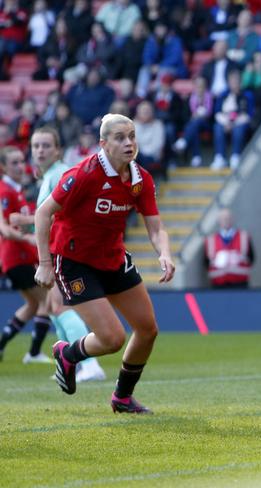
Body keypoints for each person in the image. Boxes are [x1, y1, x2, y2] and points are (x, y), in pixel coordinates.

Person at [33, 113, 175, 414]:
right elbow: (43, 213)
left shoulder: (140, 180)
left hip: (112, 257)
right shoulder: (84, 174)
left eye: (132, 136)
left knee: (148, 330)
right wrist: (45, 263)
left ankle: (122, 399)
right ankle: (69, 354)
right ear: (103, 143)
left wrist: (164, 252)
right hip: (74, 261)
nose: (129, 143)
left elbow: (155, 226)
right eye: (120, 137)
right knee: (112, 339)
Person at [17, 128, 106, 381]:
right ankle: (69, 365)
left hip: (63, 250)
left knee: (60, 306)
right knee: (55, 307)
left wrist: (26, 221)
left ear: (57, 150)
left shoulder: (60, 174)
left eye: (46, 145)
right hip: (57, 250)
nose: (40, 151)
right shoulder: (49, 176)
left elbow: (63, 213)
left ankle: (89, 365)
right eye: (36, 146)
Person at [0, 146, 52, 364]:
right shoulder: (5, 191)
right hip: (17, 257)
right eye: (14, 163)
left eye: (22, 161)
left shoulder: (17, 190)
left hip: (20, 258)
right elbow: (3, 229)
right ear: (3, 167)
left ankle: (1, 344)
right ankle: (33, 352)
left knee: (33, 305)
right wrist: (29, 239)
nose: (20, 166)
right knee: (49, 301)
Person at [204, 208, 254, 288]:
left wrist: (237, 259)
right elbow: (206, 262)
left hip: (240, 285)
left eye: (228, 218)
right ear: (219, 220)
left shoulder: (244, 237)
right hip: (218, 286)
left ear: (232, 219)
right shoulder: (211, 240)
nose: (226, 220)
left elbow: (251, 258)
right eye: (223, 218)